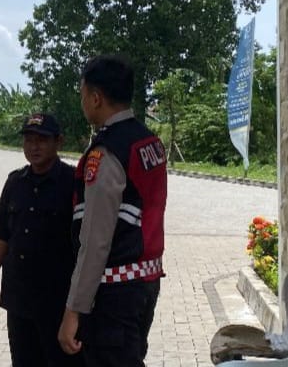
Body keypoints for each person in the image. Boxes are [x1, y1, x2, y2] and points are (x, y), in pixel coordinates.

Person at [58, 55, 167, 367]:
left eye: (83, 95)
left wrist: (73, 310)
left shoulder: (107, 152)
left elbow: (96, 240)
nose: (82, 103)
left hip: (114, 293)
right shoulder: (149, 142)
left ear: (96, 98)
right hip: (146, 282)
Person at [0, 113, 84, 367]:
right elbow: (2, 234)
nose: (34, 147)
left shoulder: (74, 183)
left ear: (58, 142)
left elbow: (87, 242)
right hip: (20, 298)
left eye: (41, 140)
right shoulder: (14, 182)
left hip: (58, 300)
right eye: (28, 140)